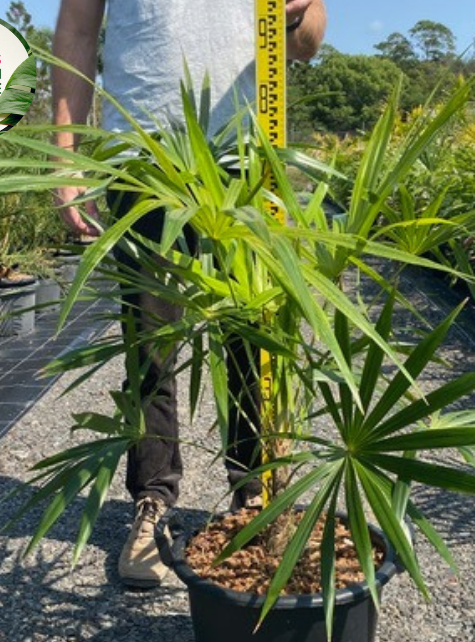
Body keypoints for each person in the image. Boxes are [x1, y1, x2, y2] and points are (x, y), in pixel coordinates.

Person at [51, 0, 327, 588]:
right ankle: (151, 504)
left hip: (246, 160)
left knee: (253, 340)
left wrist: (298, 14)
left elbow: (306, 44)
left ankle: (257, 495)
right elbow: (77, 27)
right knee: (149, 345)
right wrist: (66, 155)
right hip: (143, 162)